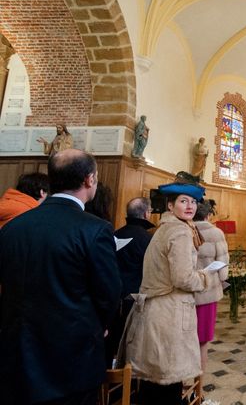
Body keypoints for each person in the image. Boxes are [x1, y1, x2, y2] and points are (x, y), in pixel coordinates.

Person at [0, 149, 120, 404]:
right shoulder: (95, 229)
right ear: (90, 179)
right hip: (71, 358)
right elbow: (109, 294)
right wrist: (101, 326)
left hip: (18, 351)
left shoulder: (13, 227)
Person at [121, 182, 215, 405]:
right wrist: (205, 277)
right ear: (170, 206)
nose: (190, 206)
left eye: (193, 201)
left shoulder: (165, 227)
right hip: (168, 315)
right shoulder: (180, 231)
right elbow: (182, 278)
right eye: (184, 201)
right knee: (167, 382)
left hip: (156, 311)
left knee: (154, 383)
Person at [104, 197, 156, 365]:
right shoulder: (148, 239)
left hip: (111, 298)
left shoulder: (114, 234)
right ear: (147, 214)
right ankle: (129, 382)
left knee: (112, 341)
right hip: (137, 299)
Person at [193, 200, 229, 370]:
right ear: (208, 215)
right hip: (208, 291)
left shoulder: (185, 230)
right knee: (202, 340)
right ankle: (198, 386)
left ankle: (183, 384)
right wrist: (223, 280)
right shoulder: (216, 233)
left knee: (185, 338)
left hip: (187, 290)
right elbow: (222, 263)